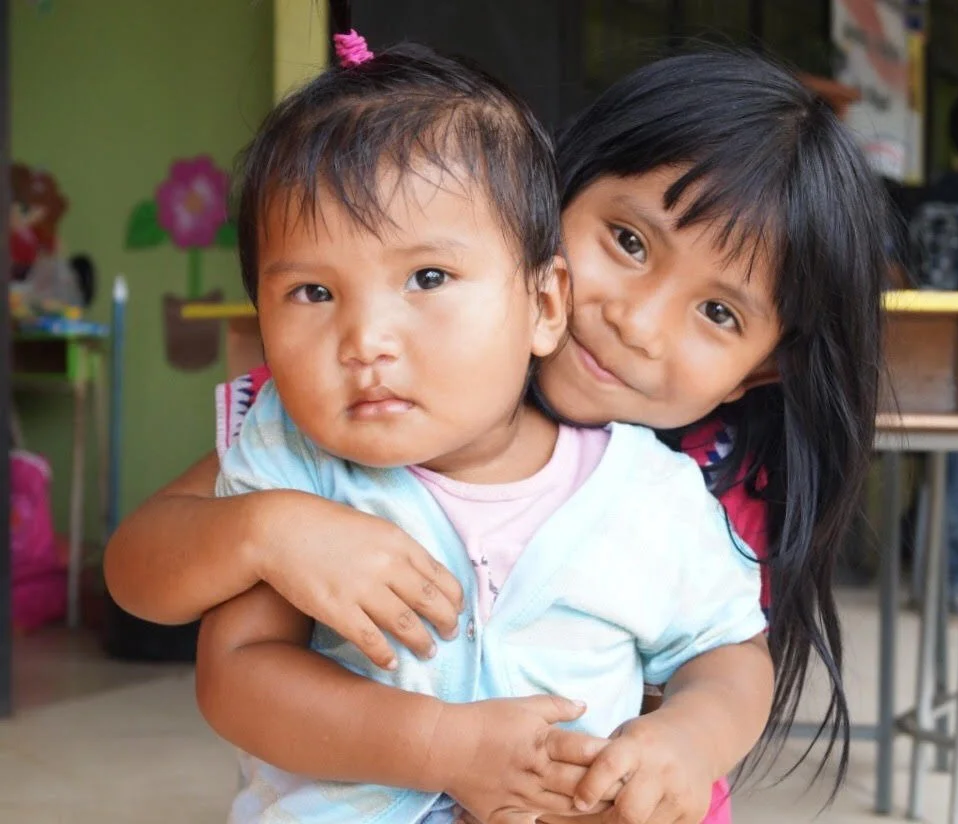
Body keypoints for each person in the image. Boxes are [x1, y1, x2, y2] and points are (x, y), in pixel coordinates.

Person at [104, 46, 888, 824]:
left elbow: (723, 661)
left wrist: (685, 742)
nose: (635, 322)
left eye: (718, 313)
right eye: (628, 241)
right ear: (554, 203)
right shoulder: (326, 427)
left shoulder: (669, 494)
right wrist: (266, 531)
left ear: (760, 372)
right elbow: (179, 604)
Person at [909, 88, 958, 612]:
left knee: (943, 475)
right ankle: (957, 583)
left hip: (916, 361)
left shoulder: (925, 195)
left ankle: (935, 575)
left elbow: (897, 267)